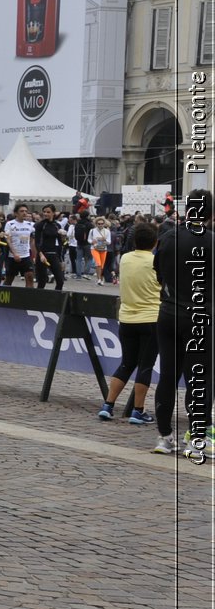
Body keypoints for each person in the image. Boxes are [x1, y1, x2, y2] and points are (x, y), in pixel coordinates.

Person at [151, 188, 213, 456]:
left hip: (168, 313)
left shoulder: (166, 237)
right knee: (200, 379)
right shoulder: (211, 241)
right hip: (199, 315)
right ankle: (197, 440)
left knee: (167, 376)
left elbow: (158, 276)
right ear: (210, 214)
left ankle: (164, 437)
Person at [96, 220, 161, 425]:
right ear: (155, 242)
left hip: (126, 318)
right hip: (151, 318)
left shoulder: (125, 258)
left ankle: (108, 405)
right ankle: (138, 410)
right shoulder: (155, 261)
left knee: (126, 363)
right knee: (145, 366)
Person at [0, 203, 37, 288]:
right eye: (21, 211)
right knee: (9, 279)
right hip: (13, 257)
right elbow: (8, 240)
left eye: (26, 211)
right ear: (16, 213)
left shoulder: (30, 225)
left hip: (26, 256)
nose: (24, 213)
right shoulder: (10, 224)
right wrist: (15, 253)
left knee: (30, 277)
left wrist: (34, 256)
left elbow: (32, 241)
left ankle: (29, 297)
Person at [33, 204, 67, 290]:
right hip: (43, 254)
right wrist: (40, 254)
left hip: (53, 254)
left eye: (48, 212)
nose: (46, 214)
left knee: (60, 280)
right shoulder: (40, 225)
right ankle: (39, 300)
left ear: (53, 213)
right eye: (44, 212)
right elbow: (37, 242)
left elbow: (60, 244)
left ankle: (56, 299)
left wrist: (61, 260)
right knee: (42, 281)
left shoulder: (57, 225)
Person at [88, 217, 111, 285]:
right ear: (96, 224)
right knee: (98, 263)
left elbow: (109, 242)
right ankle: (99, 279)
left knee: (102, 265)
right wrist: (92, 242)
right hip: (94, 248)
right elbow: (89, 240)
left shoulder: (107, 231)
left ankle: (101, 278)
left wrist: (104, 240)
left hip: (103, 249)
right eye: (99, 223)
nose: (100, 225)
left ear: (104, 224)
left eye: (102, 223)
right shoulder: (92, 230)